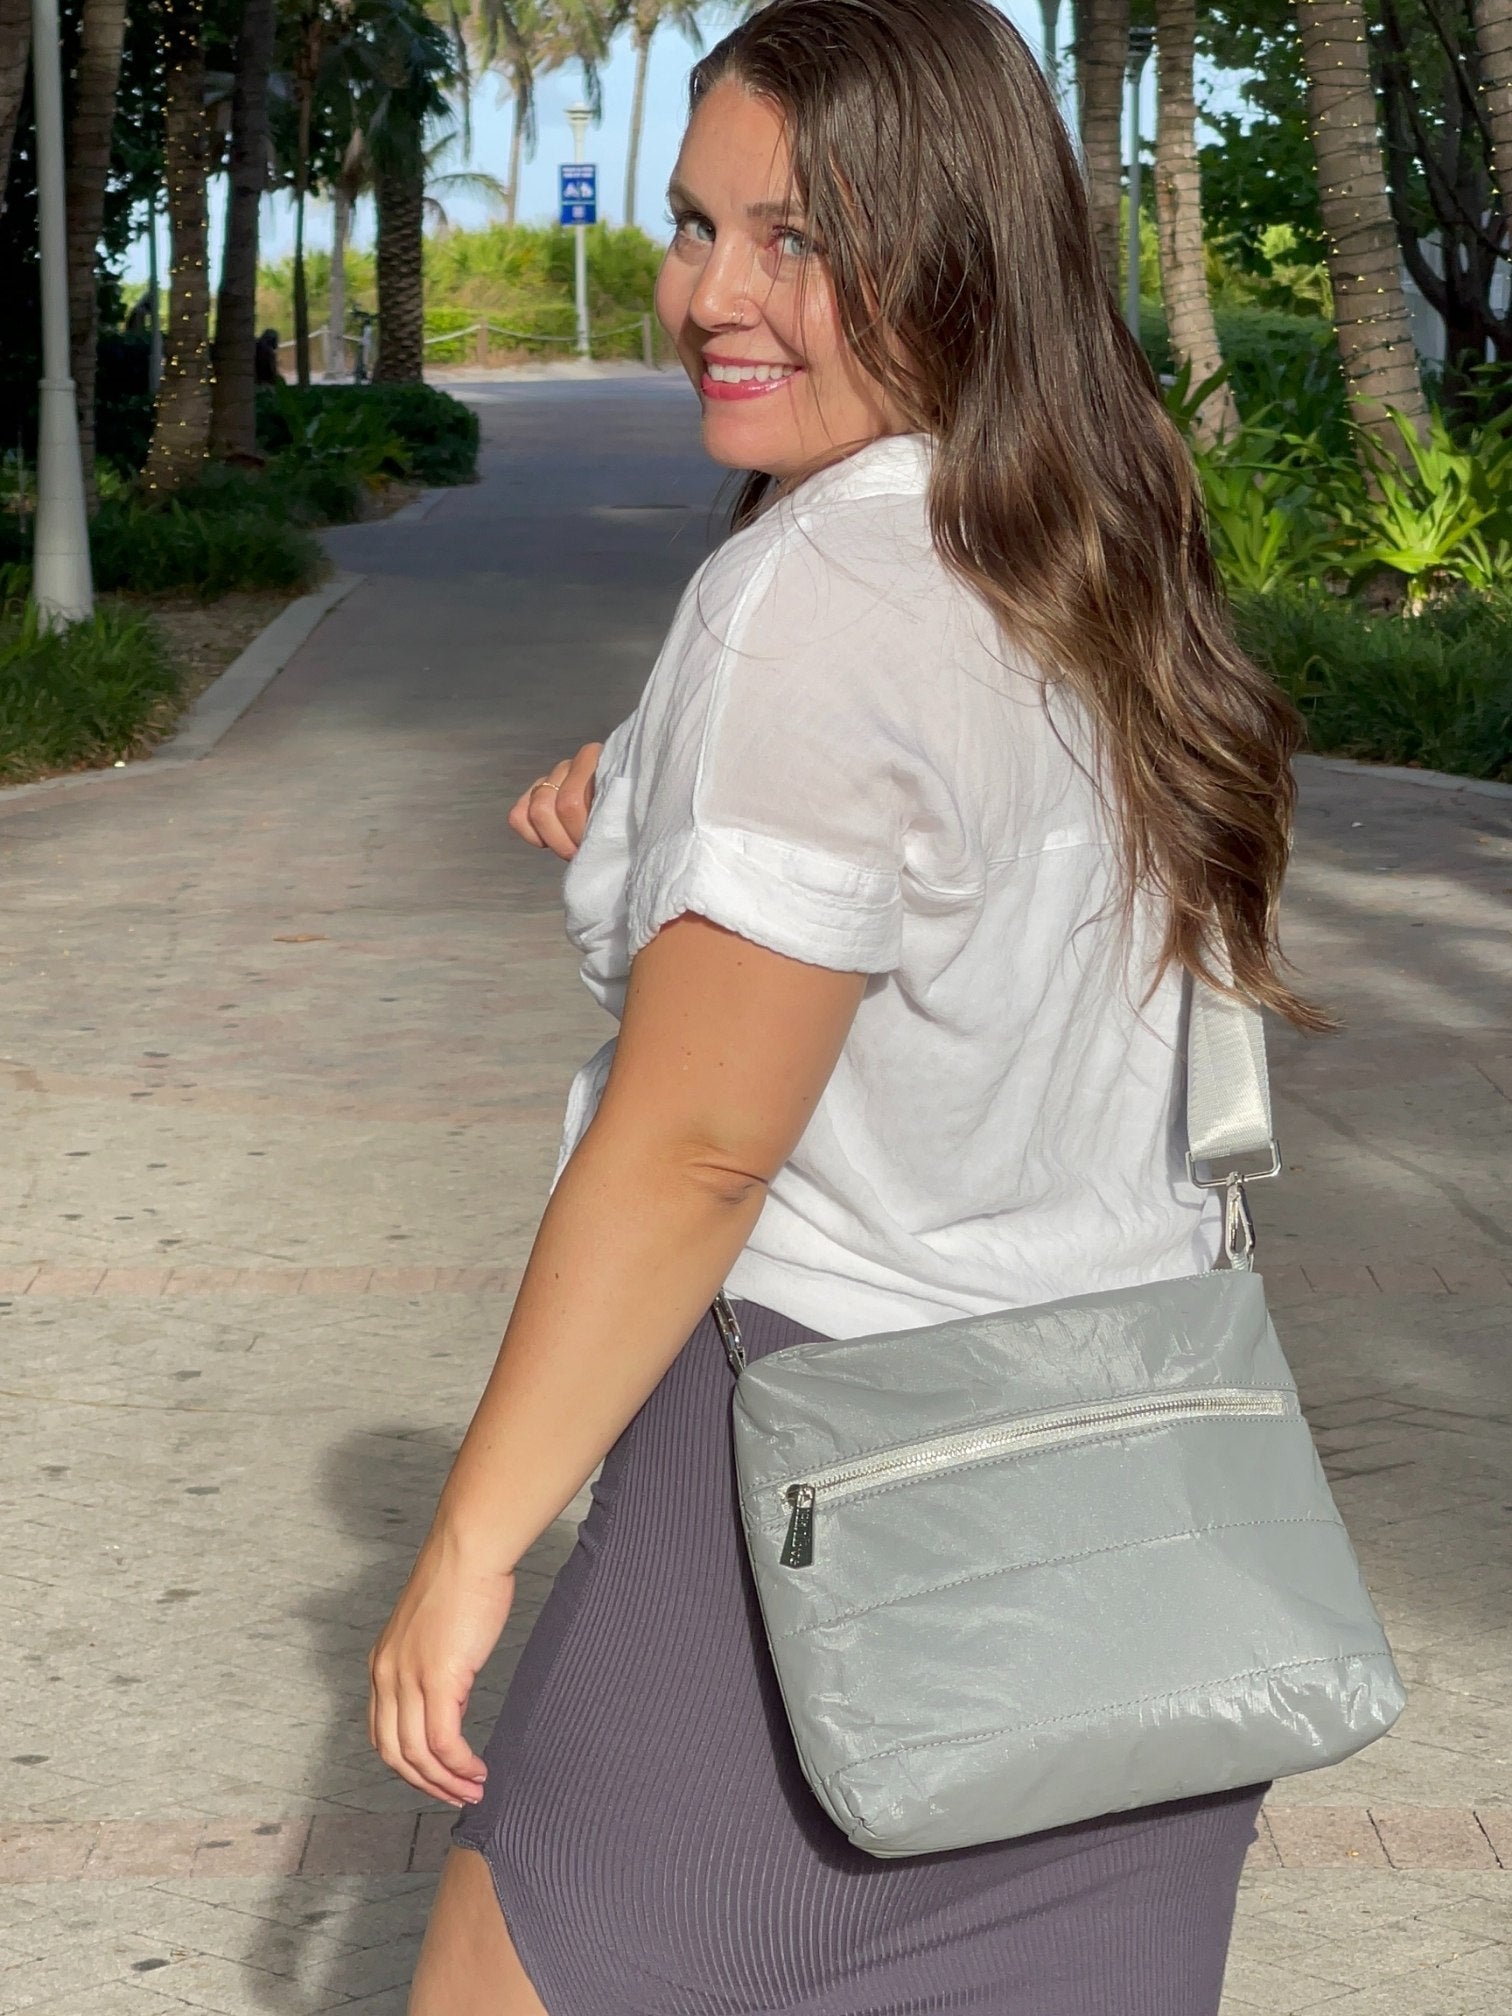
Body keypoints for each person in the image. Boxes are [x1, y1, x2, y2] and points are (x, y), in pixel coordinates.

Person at [370, 2, 1322, 2010]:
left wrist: (470, 1543)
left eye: (794, 238)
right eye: (693, 224)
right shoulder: (1101, 545)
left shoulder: (810, 595)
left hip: (819, 1494)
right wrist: (656, 795)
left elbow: (700, 1151)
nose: (712, 294)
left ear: (955, 251)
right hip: (1139, 1503)